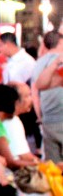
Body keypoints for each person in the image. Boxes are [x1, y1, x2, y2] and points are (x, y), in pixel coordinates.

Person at [31, 30, 63, 164]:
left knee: (53, 166)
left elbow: (35, 90)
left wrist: (40, 116)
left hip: (48, 119)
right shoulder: (58, 62)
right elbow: (39, 86)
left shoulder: (39, 63)